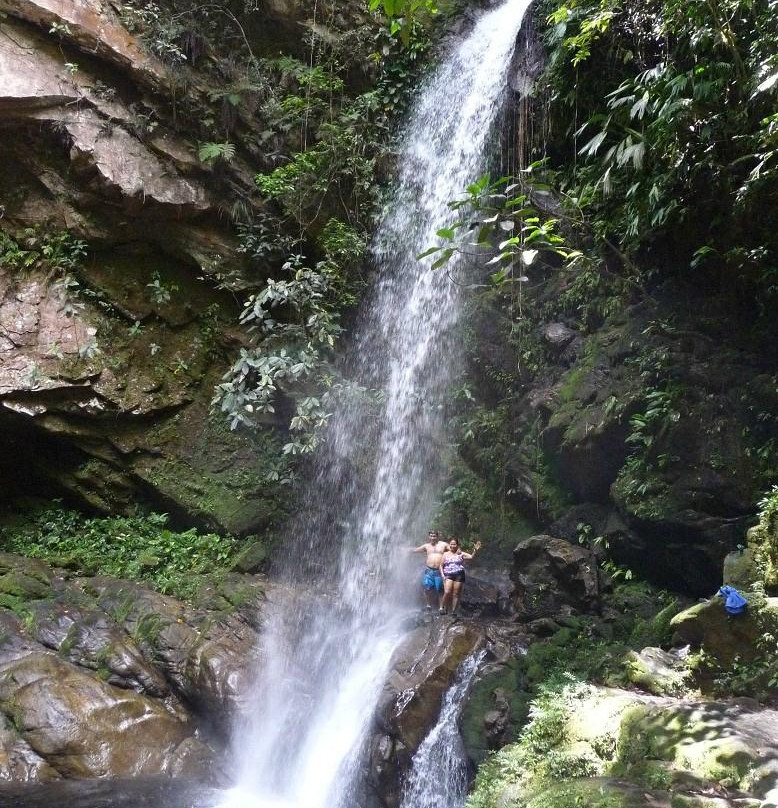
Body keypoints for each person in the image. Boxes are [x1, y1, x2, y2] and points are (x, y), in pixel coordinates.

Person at [439, 537, 481, 617]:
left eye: (454, 544)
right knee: (447, 592)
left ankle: (454, 611)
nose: (453, 546)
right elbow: (441, 566)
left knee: (456, 593)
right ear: (449, 545)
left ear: (457, 545)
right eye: (451, 544)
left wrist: (475, 550)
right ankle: (442, 607)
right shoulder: (445, 554)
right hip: (448, 574)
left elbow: (471, 557)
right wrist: (442, 575)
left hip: (459, 574)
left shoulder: (461, 553)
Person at [409, 531, 448, 610]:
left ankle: (441, 607)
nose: (433, 538)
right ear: (429, 537)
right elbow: (415, 550)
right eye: (431, 536)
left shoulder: (443, 545)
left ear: (437, 537)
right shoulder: (426, 546)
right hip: (429, 570)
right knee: (427, 589)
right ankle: (428, 605)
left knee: (440, 590)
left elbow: (453, 549)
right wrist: (405, 549)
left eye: (434, 536)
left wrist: (461, 553)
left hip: (439, 571)